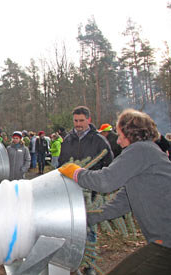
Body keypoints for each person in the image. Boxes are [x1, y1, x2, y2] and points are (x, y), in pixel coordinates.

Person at [59, 109, 171, 275]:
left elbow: (105, 181)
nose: (117, 141)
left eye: (119, 135)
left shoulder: (141, 150)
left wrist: (76, 173)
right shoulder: (147, 154)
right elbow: (122, 203)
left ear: (131, 134)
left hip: (166, 243)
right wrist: (87, 218)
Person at [58, 106, 113, 275]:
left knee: (89, 229)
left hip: (91, 193)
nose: (78, 124)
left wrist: (99, 183)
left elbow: (109, 164)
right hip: (71, 191)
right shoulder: (68, 140)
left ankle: (89, 265)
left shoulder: (99, 140)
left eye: (81, 120)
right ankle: (70, 261)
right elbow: (61, 164)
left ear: (88, 120)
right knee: (70, 228)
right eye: (75, 121)